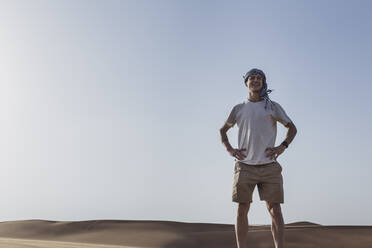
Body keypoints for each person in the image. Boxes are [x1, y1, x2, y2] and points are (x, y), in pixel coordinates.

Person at [219, 68, 297, 248]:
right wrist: (230, 149)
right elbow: (223, 130)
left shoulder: (272, 107)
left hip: (269, 166)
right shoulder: (239, 108)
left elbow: (292, 128)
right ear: (246, 83)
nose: (255, 80)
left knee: (275, 210)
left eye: (259, 78)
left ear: (263, 83)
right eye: (252, 78)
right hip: (245, 166)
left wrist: (282, 146)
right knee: (242, 209)